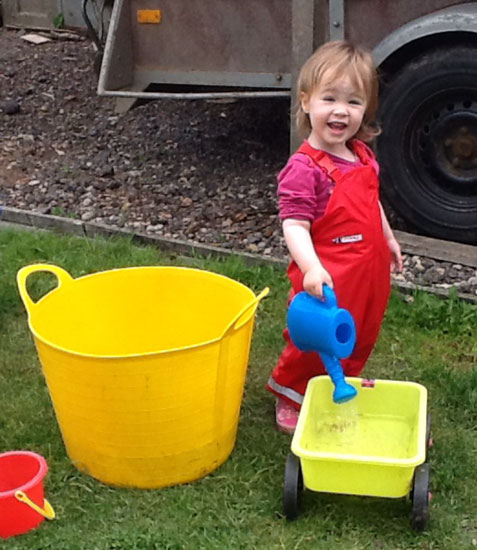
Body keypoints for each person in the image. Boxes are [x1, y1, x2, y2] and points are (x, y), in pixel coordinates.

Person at [266, 41, 403, 434]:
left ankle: (338, 381)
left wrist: (388, 238)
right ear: (306, 101)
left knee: (357, 331)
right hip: (326, 274)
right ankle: (292, 394)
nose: (341, 110)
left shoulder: (361, 155)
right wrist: (310, 268)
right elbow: (294, 224)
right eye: (329, 98)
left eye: (354, 102)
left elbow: (371, 202)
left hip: (367, 271)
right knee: (313, 337)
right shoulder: (304, 169)